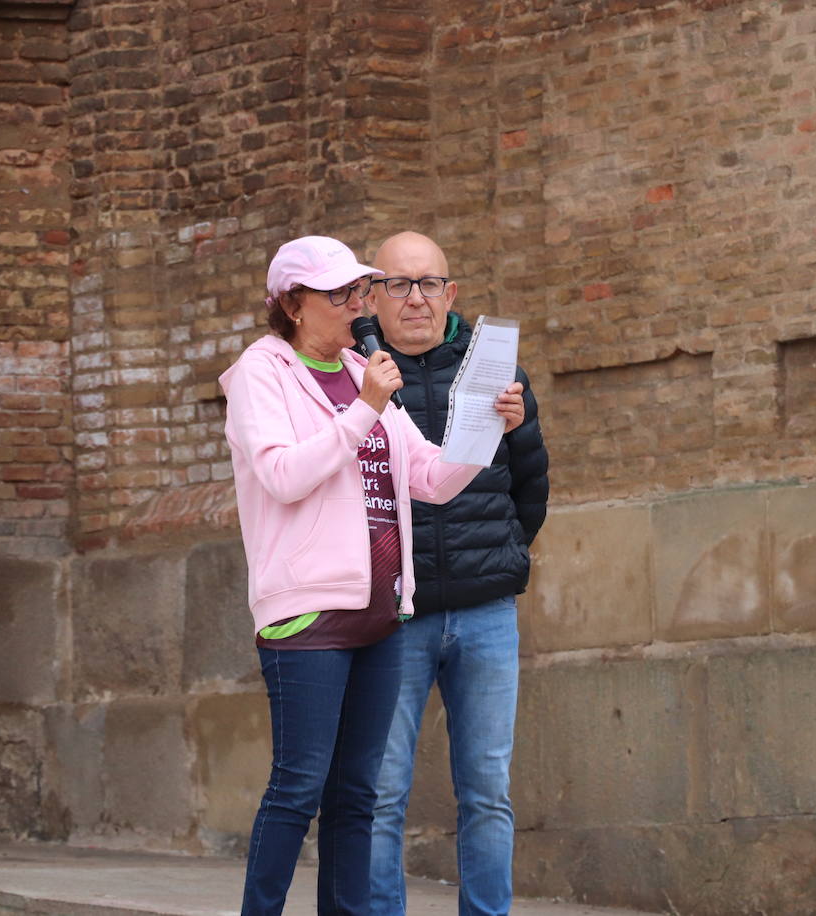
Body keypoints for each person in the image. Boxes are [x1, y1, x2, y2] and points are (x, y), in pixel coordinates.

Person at [218, 234, 527, 916]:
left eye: (359, 290)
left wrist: (488, 430)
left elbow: (430, 479)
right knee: (298, 788)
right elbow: (282, 475)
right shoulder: (262, 373)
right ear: (293, 304)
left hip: (383, 611)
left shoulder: (363, 368)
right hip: (307, 611)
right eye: (340, 294)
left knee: (358, 794)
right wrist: (363, 408)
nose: (358, 305)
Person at [366, 231, 549, 916]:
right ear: (374, 296)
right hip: (393, 617)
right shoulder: (357, 376)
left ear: (451, 294)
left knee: (487, 792)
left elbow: (531, 485)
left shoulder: (495, 372)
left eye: (429, 284)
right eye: (398, 284)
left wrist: (500, 555)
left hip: (484, 611)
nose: (415, 298)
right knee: (380, 793)